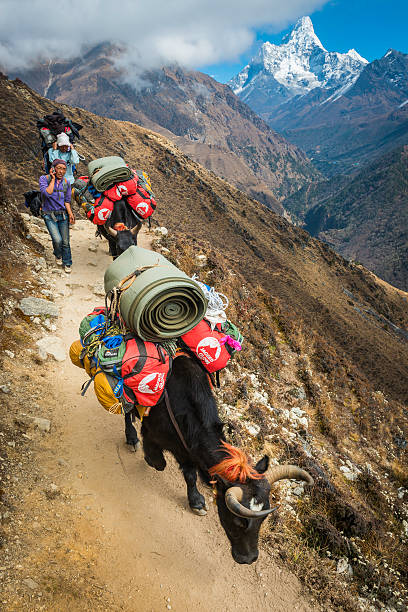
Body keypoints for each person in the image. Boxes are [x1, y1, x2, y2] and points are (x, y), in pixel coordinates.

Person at [39, 159, 75, 273]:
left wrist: (70, 214)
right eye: (59, 168)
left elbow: (67, 201)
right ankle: (58, 254)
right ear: (53, 168)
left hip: (63, 215)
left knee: (65, 241)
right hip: (49, 215)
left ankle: (67, 262)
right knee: (57, 240)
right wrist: (53, 179)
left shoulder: (66, 183)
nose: (61, 171)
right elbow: (47, 193)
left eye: (64, 169)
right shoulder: (44, 179)